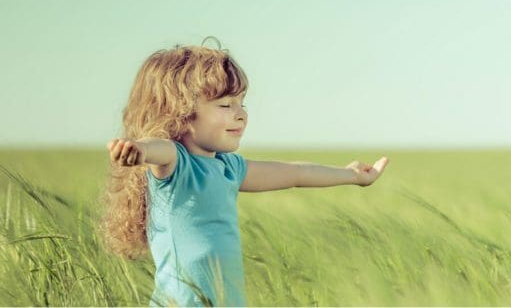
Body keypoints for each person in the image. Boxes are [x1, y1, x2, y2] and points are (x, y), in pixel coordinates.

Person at [98, 37, 389, 307]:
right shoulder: (177, 166)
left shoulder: (229, 168)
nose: (240, 114)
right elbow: (159, 149)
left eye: (241, 103)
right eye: (225, 104)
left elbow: (296, 174)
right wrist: (139, 150)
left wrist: (350, 174)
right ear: (179, 113)